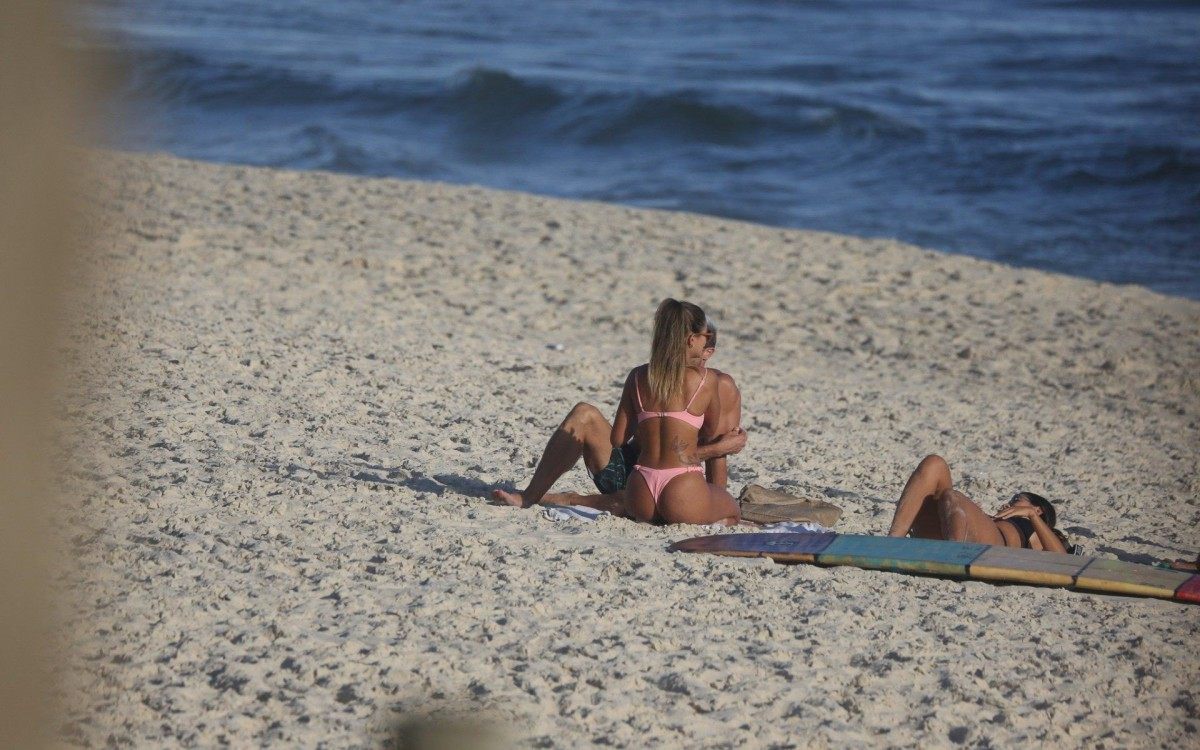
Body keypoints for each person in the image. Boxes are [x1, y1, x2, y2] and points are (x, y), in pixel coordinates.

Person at [492, 319, 746, 514]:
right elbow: (621, 439)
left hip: (678, 482)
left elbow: (719, 457)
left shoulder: (721, 386)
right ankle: (530, 496)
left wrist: (716, 500)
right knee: (584, 414)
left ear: (706, 351)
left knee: (631, 504)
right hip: (633, 470)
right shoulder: (650, 376)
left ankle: (572, 499)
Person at [611, 299, 741, 525]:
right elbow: (710, 432)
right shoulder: (705, 380)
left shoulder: (637, 376)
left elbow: (617, 438)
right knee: (732, 510)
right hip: (683, 486)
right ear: (693, 340)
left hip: (640, 486)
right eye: (704, 337)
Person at [887, 454, 1072, 553]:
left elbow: (1060, 558)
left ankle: (954, 555)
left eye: (1017, 500)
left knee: (952, 497)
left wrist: (1030, 516)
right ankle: (892, 542)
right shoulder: (999, 520)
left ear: (1038, 509)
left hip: (992, 547)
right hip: (954, 536)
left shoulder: (1033, 528)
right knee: (934, 463)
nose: (1010, 503)